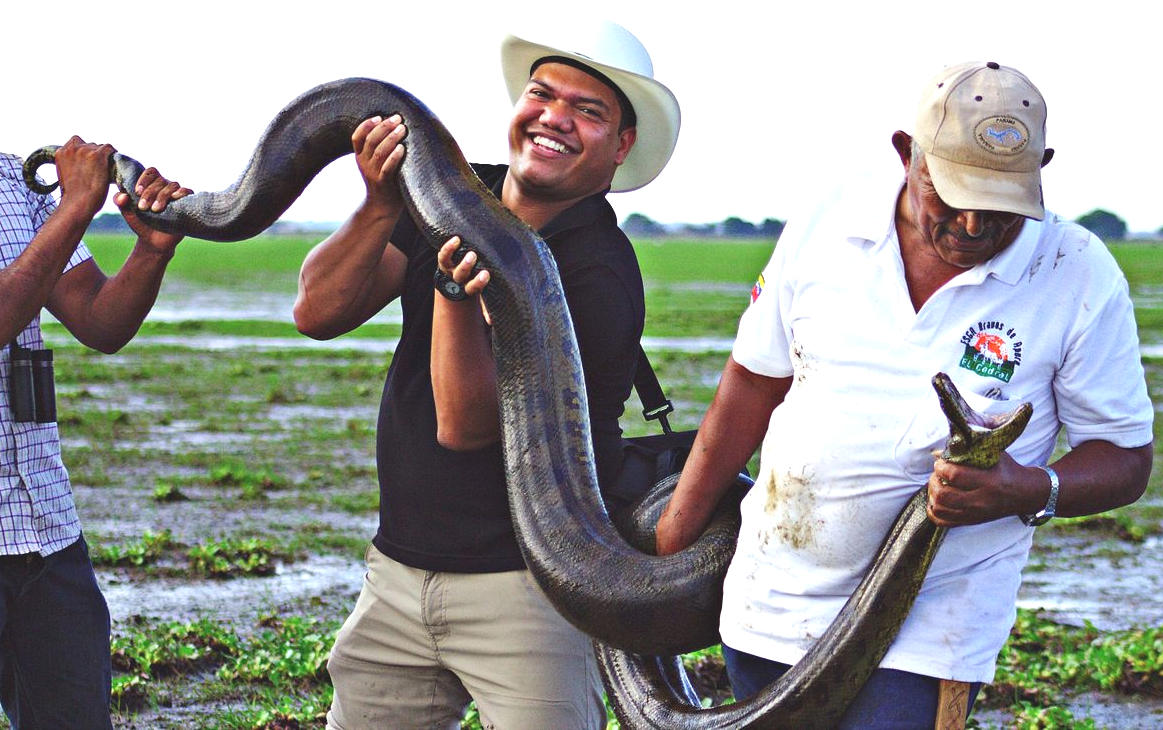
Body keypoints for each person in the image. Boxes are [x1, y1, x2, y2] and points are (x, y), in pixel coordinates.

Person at [656, 61, 1154, 728]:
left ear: (1042, 168)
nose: (973, 224)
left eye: (1000, 203)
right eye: (948, 193)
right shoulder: (829, 221)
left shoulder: (1075, 270)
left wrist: (1029, 489)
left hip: (929, 640)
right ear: (905, 152)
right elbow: (752, 379)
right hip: (768, 608)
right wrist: (674, 532)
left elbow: (1124, 459)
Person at [293, 19, 680, 730]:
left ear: (620, 145)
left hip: (531, 596)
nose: (555, 118)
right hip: (397, 574)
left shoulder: (597, 272)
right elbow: (317, 311)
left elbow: (465, 426)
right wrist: (382, 205)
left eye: (588, 111)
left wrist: (452, 296)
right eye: (543, 93)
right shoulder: (451, 196)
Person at [1, 137, 189, 728]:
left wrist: (152, 250)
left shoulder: (13, 181)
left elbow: (100, 320)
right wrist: (77, 206)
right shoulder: (53, 197)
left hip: (43, 534)